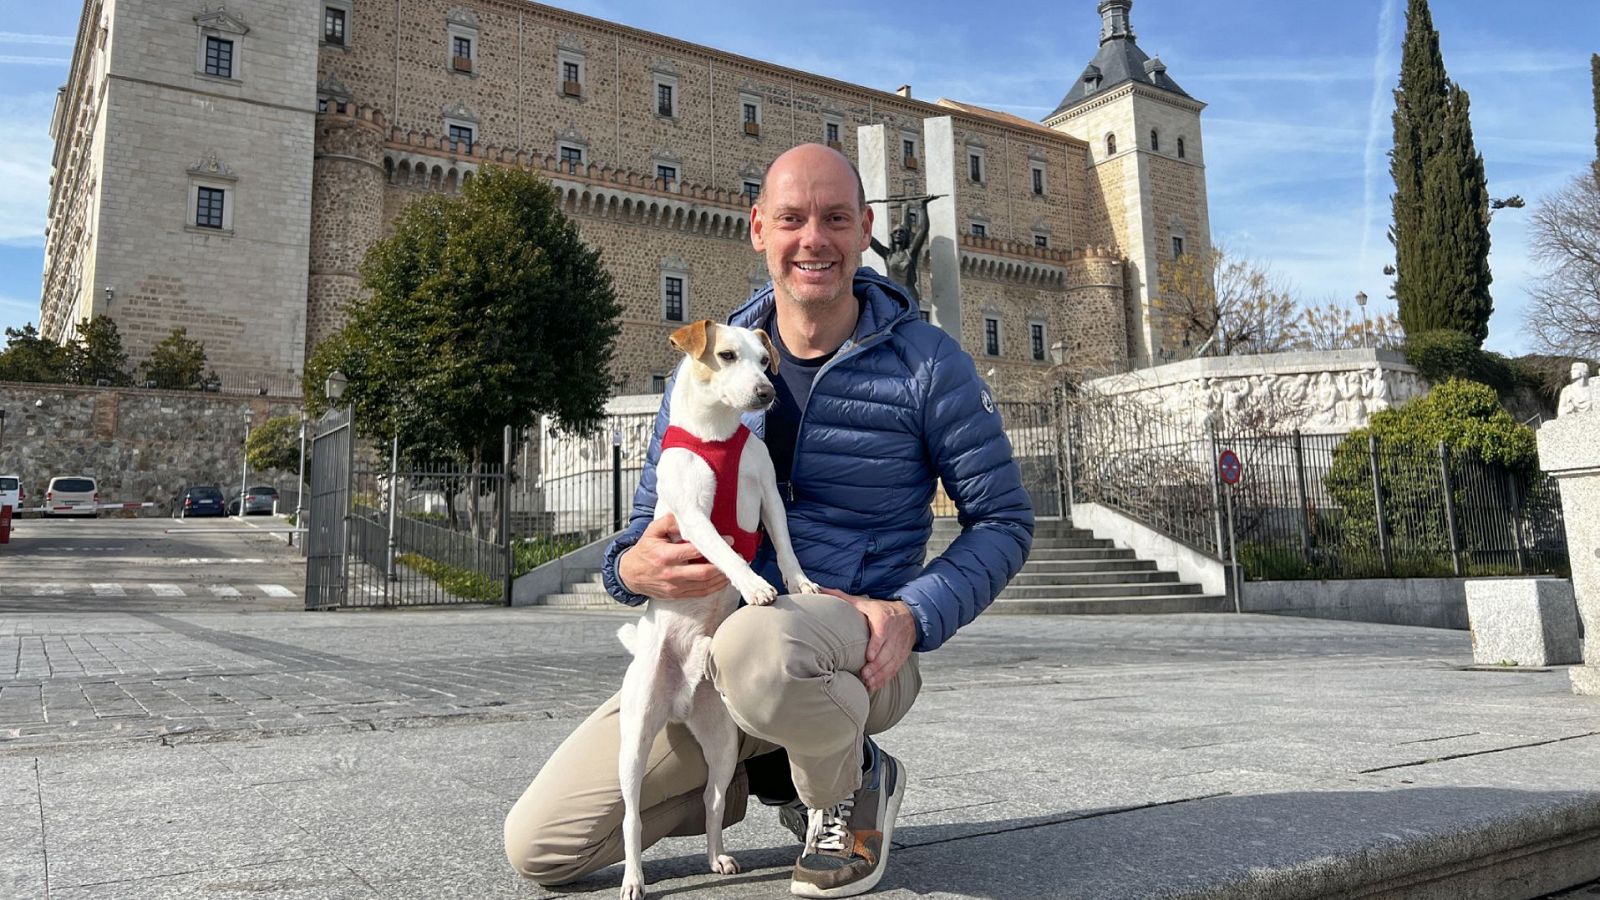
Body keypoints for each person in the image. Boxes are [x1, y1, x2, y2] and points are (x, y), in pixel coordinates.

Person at [504, 143, 1034, 898]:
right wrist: (628, 567)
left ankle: (849, 781)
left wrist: (913, 615)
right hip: (710, 658)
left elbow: (1004, 520)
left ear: (865, 230)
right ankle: (771, 766)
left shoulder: (929, 364)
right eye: (791, 219)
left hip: (849, 646)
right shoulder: (710, 362)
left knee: (760, 646)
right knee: (542, 848)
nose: (812, 239)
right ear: (758, 229)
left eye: (835, 219)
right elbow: (646, 523)